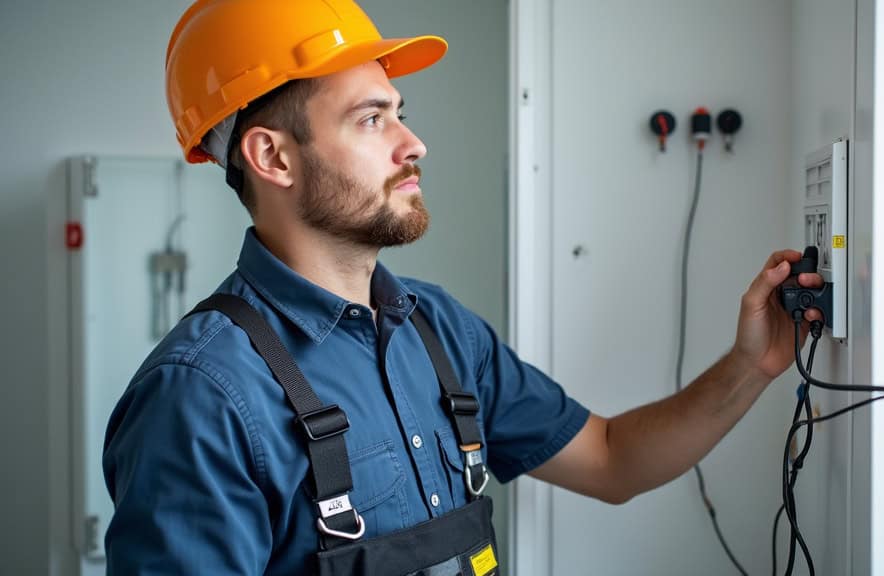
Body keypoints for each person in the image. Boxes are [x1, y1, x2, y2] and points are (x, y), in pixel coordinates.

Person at [103, 1, 824, 574]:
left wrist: (751, 366)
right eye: (371, 118)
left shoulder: (437, 329)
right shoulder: (201, 395)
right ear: (273, 157)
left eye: (400, 113)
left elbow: (611, 460)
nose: (412, 143)